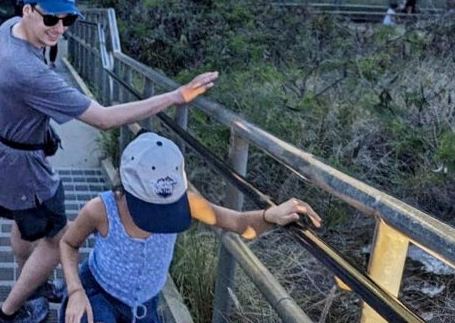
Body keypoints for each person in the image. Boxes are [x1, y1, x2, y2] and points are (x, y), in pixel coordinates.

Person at [0, 0, 218, 323]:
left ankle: (33, 281)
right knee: (56, 236)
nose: (59, 29)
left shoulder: (7, 29)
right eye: (50, 19)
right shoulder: (29, 71)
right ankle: (8, 311)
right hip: (23, 171)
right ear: (27, 10)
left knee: (25, 221)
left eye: (68, 20)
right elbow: (103, 118)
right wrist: (174, 96)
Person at [59, 133, 321, 323]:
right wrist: (75, 291)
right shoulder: (101, 209)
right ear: (125, 188)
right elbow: (68, 244)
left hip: (144, 307)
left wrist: (270, 215)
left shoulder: (187, 203)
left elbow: (238, 223)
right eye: (150, 209)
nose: (159, 219)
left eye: (166, 209)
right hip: (98, 293)